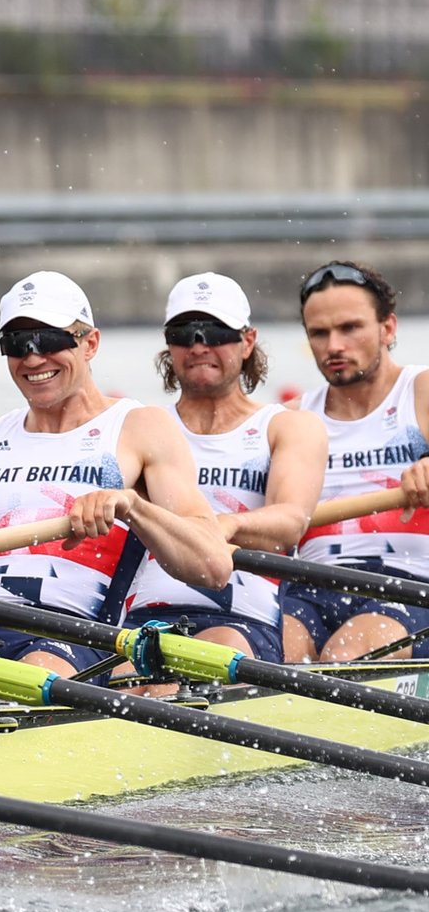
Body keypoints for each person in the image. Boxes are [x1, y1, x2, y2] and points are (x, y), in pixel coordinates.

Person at [0, 271, 231, 673]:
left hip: (77, 637)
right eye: (16, 344)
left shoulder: (139, 427)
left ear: (90, 344)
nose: (33, 358)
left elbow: (212, 566)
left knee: (32, 672)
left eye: (50, 340)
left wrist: (131, 505)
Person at [122, 273, 325, 662]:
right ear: (169, 344)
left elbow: (289, 524)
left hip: (242, 618)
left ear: (247, 341)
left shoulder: (287, 426)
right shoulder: (140, 427)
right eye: (185, 332)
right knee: (125, 684)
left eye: (214, 331)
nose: (199, 345)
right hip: (146, 614)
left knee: (196, 665)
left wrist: (226, 526)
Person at [285, 261, 429, 662]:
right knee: (275, 655)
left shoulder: (421, 392)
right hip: (309, 586)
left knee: (346, 655)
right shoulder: (293, 418)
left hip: (409, 586)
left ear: (388, 329)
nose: (333, 346)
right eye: (319, 333)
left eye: (350, 328)